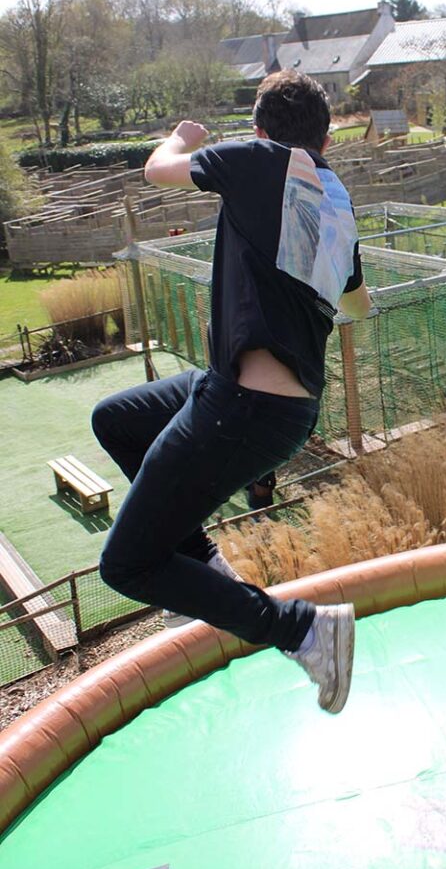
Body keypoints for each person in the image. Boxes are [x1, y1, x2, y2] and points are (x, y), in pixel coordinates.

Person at [92, 70, 372, 714]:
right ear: (327, 139)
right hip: (271, 403)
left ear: (259, 130)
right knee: (118, 420)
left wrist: (181, 135)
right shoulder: (332, 199)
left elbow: (159, 169)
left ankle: (302, 630)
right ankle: (201, 564)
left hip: (246, 408)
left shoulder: (256, 159)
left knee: (126, 567)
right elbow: (357, 303)